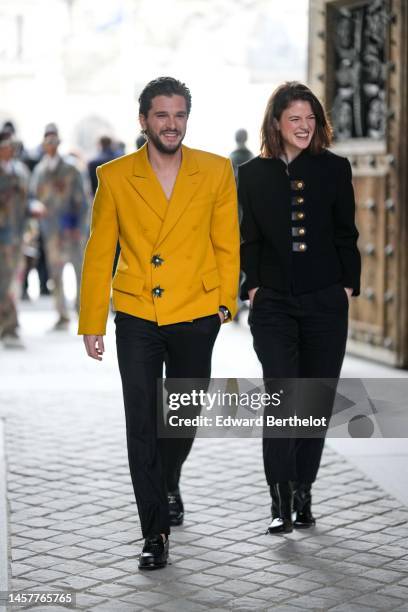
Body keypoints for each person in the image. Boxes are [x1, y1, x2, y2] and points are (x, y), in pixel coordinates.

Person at [78, 76, 239, 569]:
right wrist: (92, 321)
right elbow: (100, 249)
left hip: (196, 310)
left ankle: (169, 478)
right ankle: (154, 532)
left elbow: (227, 242)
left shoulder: (214, 171)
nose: (172, 124)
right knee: (142, 423)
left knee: (184, 415)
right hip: (137, 314)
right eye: (162, 115)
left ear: (187, 118)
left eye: (180, 115)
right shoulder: (115, 175)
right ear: (143, 120)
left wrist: (225, 305)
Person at [239, 81, 360, 534]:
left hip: (326, 303)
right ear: (277, 123)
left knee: (315, 401)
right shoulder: (251, 174)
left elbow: (346, 234)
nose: (304, 126)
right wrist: (252, 288)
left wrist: (346, 287)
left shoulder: (334, 168)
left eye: (310, 119)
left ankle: (304, 491)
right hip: (273, 306)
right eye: (295, 119)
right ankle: (279, 498)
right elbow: (247, 239)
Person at [30, 124, 88, 329]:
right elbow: (33, 197)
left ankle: (83, 312)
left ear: (59, 142)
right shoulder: (40, 170)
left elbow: (83, 200)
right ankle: (61, 315)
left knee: (80, 271)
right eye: (47, 141)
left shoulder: (71, 168)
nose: (51, 145)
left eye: (54, 141)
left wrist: (80, 226)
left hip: (72, 231)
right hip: (51, 230)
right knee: (56, 274)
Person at [0, 130, 30, 348]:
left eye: (11, 146)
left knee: (10, 283)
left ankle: (10, 326)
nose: (9, 150)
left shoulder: (20, 171)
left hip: (15, 236)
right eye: (5, 146)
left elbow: (28, 199)